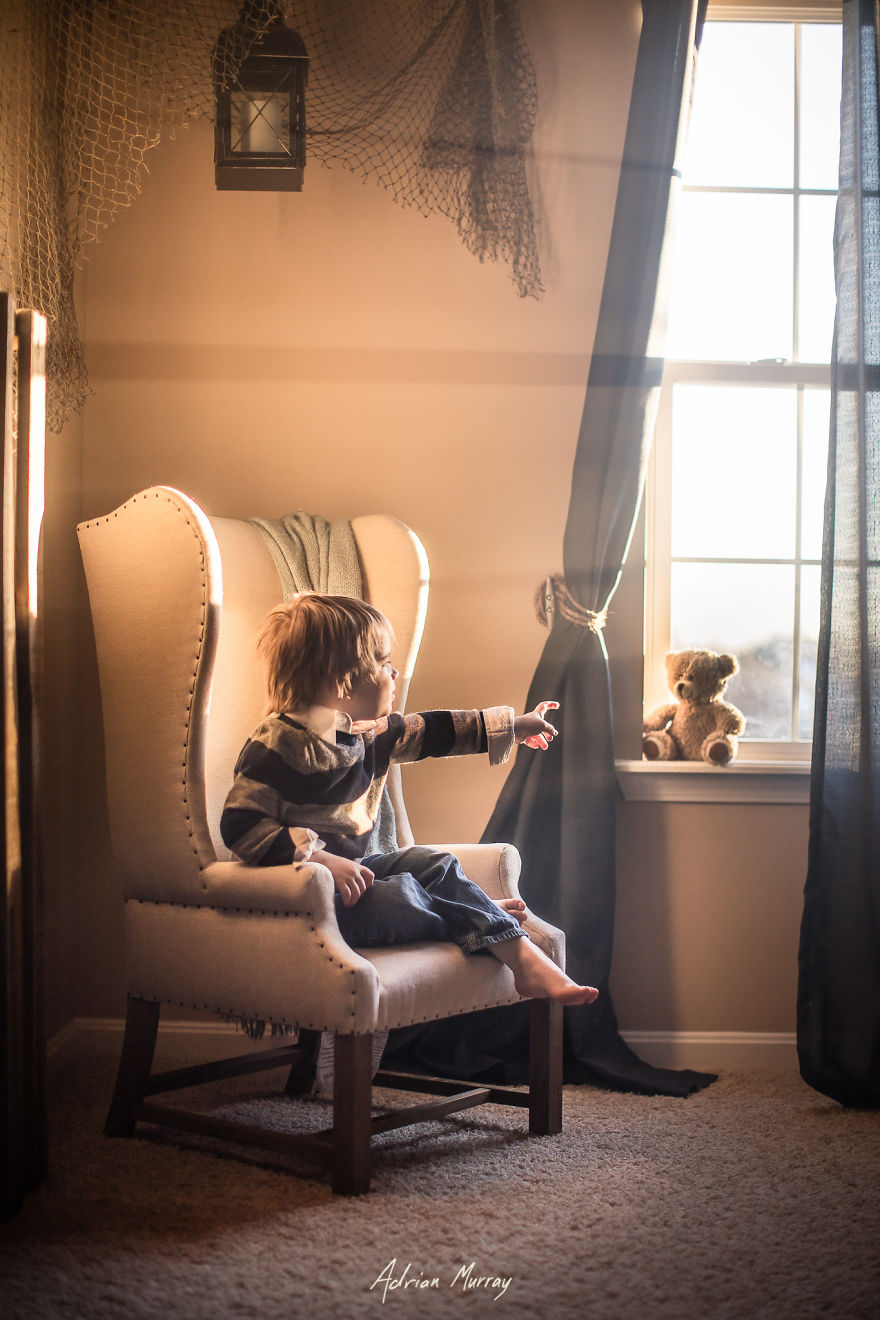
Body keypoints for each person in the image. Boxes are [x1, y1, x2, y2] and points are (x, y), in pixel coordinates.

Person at [220, 592, 598, 1007]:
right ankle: (475, 913)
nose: (394, 672)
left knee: (434, 863)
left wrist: (514, 725)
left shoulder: (368, 733)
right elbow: (241, 824)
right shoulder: (279, 742)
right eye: (383, 663)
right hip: (308, 899)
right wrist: (321, 860)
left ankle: (514, 951)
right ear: (339, 681)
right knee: (396, 898)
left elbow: (435, 731)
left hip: (358, 879)